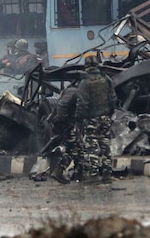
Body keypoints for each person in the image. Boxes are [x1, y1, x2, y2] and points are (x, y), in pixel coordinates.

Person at [74, 56, 117, 184]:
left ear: (86, 66)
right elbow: (113, 99)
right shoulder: (106, 79)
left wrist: (78, 118)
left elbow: (82, 103)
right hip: (106, 117)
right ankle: (107, 174)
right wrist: (109, 113)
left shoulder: (85, 83)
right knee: (105, 145)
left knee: (92, 146)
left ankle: (93, 175)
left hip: (91, 119)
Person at [47, 81, 81, 184]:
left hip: (65, 124)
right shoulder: (73, 92)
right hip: (65, 124)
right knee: (74, 148)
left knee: (78, 148)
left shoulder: (71, 91)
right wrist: (63, 121)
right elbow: (62, 105)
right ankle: (59, 170)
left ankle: (79, 173)